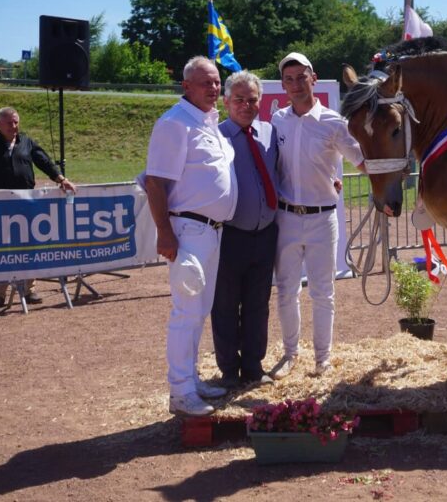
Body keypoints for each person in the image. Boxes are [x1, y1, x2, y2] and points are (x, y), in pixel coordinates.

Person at [145, 56, 238, 417]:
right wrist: (165, 233)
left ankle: (191, 378)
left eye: (216, 82)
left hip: (211, 231)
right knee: (186, 312)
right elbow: (155, 182)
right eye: (205, 83)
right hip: (188, 230)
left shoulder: (209, 122)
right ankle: (180, 392)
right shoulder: (174, 124)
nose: (213, 89)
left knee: (199, 311)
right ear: (186, 86)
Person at [270, 52, 365, 378]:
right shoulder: (277, 121)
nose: (296, 84)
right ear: (283, 84)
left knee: (323, 292)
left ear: (314, 78)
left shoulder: (334, 123)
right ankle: (290, 354)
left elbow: (362, 160)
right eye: (289, 79)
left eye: (301, 77)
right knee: (286, 291)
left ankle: (322, 359)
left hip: (323, 218)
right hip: (286, 219)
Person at [0, 106, 77, 308]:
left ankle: (30, 289)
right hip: (0, 207)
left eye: (16, 122)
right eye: (9, 123)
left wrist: (62, 179)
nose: (14, 126)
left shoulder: (26, 141)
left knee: (29, 246)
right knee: (1, 248)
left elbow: (44, 162)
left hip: (27, 205)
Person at [211, 71, 278, 388]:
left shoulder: (269, 132)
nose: (246, 105)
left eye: (252, 100)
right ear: (226, 102)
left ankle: (253, 366)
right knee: (224, 304)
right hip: (229, 235)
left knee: (257, 303)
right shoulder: (214, 137)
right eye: (239, 99)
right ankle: (228, 370)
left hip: (265, 234)